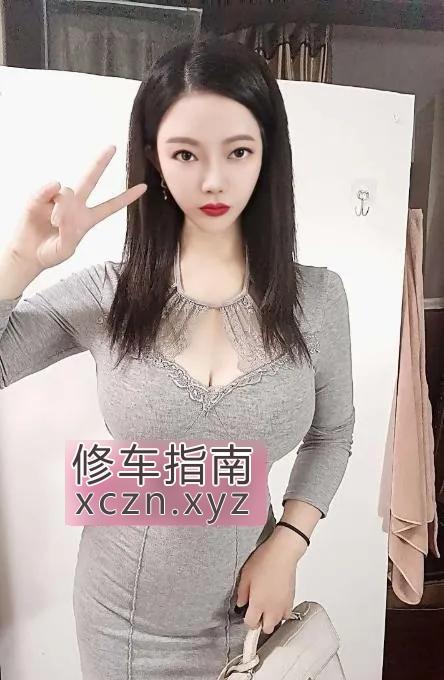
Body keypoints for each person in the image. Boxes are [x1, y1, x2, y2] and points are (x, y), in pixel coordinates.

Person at [0, 36, 355, 680]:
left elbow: (332, 434)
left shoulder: (319, 300)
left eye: (238, 151)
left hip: (247, 615)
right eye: (185, 154)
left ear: (267, 155)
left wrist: (288, 543)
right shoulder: (109, 293)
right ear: (155, 159)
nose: (213, 180)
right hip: (116, 623)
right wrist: (20, 263)